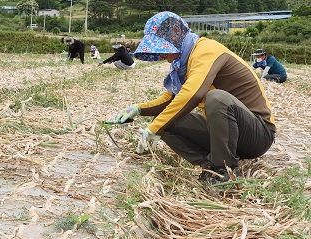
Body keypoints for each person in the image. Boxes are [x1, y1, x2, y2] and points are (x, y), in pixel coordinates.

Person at [114, 11, 275, 184]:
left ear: (175, 36)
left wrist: (155, 128)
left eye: (162, 47)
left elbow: (194, 92)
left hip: (257, 134)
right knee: (166, 120)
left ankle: (223, 170)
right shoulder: (182, 62)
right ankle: (210, 166)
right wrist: (138, 109)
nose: (161, 55)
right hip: (225, 134)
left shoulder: (206, 50)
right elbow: (171, 100)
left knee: (216, 98)